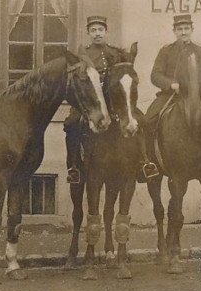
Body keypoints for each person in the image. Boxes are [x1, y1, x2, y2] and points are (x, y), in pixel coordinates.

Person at [64, 15, 158, 184]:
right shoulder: (82, 54)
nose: (97, 34)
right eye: (93, 31)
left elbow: (124, 74)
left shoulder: (116, 53)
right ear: (88, 33)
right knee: (72, 122)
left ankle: (144, 162)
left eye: (100, 30)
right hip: (91, 102)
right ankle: (74, 167)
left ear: (106, 32)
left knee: (141, 120)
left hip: (115, 101)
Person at [143, 13, 201, 186]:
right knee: (148, 121)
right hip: (169, 97)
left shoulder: (199, 52)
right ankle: (150, 165)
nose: (183, 32)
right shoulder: (166, 51)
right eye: (179, 29)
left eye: (186, 29)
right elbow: (155, 76)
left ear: (192, 30)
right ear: (174, 31)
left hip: (195, 99)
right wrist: (171, 84)